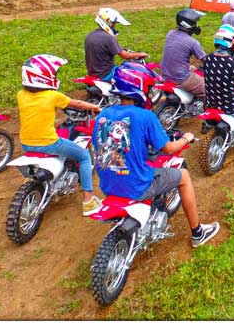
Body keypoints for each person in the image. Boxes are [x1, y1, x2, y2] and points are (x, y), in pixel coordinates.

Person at [92, 65, 220, 248]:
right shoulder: (146, 116)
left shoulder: (103, 115)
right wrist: (185, 138)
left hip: (108, 185)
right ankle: (198, 232)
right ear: (139, 88)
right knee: (183, 176)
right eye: (148, 88)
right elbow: (168, 149)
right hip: (136, 185)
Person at [18, 54, 103, 216]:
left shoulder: (21, 95)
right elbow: (77, 104)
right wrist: (95, 107)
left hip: (26, 143)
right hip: (48, 143)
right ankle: (88, 200)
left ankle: (32, 179)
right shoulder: (53, 96)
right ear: (43, 77)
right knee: (84, 156)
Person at [84, 7, 148, 81]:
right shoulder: (109, 38)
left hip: (92, 73)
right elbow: (125, 55)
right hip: (107, 74)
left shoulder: (89, 35)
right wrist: (139, 54)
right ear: (109, 23)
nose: (114, 26)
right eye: (114, 24)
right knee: (131, 69)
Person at [160, 9, 207, 99]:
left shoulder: (170, 34)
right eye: (195, 23)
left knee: (193, 68)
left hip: (166, 74)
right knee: (209, 90)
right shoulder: (192, 42)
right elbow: (206, 60)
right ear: (190, 25)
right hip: (181, 78)